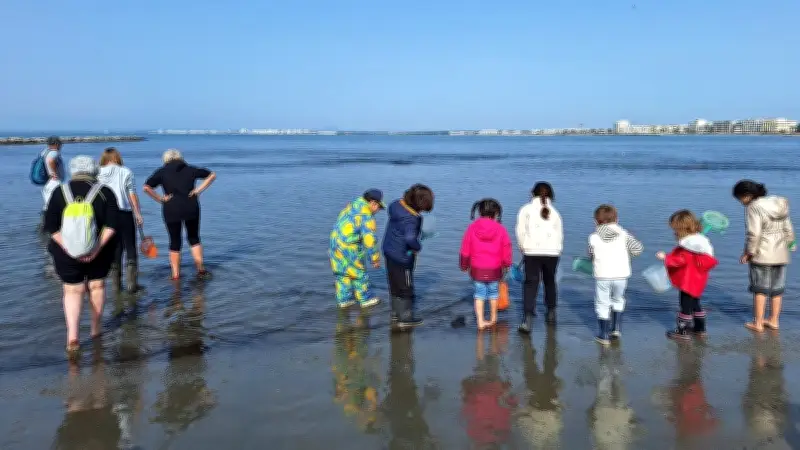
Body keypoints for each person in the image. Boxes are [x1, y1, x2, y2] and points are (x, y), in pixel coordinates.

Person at [44, 156, 118, 356]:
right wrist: (95, 249)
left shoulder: (60, 191)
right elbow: (112, 225)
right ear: (94, 171)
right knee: (96, 286)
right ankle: (95, 330)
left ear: (72, 171)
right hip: (100, 251)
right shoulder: (105, 192)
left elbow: (50, 226)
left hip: (66, 252)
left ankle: (73, 337)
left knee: (72, 291)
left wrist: (68, 248)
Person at [732, 180, 796, 332]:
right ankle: (774, 320)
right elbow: (788, 226)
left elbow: (754, 233)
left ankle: (758, 323)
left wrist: (749, 252)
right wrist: (791, 243)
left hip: (763, 253)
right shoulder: (779, 203)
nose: (741, 202)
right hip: (781, 252)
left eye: (740, 198)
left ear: (747, 196)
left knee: (760, 289)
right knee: (777, 289)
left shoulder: (754, 207)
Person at [143, 149, 216, 280]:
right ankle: (200, 269)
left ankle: (175, 275)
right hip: (191, 206)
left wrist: (160, 198)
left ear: (165, 160)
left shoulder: (162, 172)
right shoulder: (190, 169)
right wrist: (198, 190)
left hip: (171, 208)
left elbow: (146, 187)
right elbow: (212, 175)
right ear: (180, 158)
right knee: (194, 238)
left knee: (175, 240)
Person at [656, 210, 718, 341]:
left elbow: (680, 260)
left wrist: (665, 257)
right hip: (699, 280)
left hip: (688, 281)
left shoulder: (688, 246)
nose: (674, 233)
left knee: (685, 306)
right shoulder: (700, 243)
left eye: (675, 229)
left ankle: (682, 331)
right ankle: (700, 329)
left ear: (681, 229)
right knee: (696, 303)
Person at [588, 204, 643, 345]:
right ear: (616, 220)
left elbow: (591, 255)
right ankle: (616, 329)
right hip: (621, 274)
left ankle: (603, 334)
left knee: (602, 303)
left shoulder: (593, 237)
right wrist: (627, 254)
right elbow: (638, 249)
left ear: (595, 221)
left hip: (602, 275)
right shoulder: (624, 235)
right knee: (618, 299)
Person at [382, 184, 435, 330]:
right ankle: (405, 317)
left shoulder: (396, 205)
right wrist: (418, 247)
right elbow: (410, 238)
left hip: (389, 250)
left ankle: (395, 312)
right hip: (402, 257)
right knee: (406, 286)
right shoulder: (412, 219)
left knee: (394, 283)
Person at [515, 181, 563, 333]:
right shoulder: (555, 212)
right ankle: (551, 313)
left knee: (531, 284)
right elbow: (560, 235)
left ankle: (527, 319)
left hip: (532, 251)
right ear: (551, 196)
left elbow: (520, 230)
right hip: (552, 252)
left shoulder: (526, 210)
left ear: (532, 193)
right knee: (550, 282)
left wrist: (523, 246)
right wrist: (558, 249)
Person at [459, 198, 513, 330]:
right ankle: (493, 318)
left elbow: (465, 250)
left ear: (480, 212)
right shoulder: (500, 229)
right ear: (495, 213)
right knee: (494, 293)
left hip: (477, 269)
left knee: (479, 294)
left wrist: (464, 265)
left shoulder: (472, 228)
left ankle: (480, 321)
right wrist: (507, 264)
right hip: (495, 269)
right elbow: (506, 248)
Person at [98, 147, 144, 293]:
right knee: (130, 247)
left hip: (106, 215)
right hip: (124, 213)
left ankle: (116, 287)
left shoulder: (98, 172)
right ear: (117, 157)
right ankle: (132, 286)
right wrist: (138, 214)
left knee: (114, 249)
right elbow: (132, 195)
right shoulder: (126, 171)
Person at [329, 189, 385, 309]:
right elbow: (370, 241)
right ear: (373, 203)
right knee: (359, 274)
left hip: (335, 243)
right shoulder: (367, 216)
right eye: (379, 207)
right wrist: (374, 259)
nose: (378, 210)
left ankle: (343, 301)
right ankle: (365, 299)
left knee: (342, 274)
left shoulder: (352, 206)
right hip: (349, 247)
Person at [39, 136, 66, 231]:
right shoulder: (54, 152)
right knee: (56, 203)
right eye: (60, 144)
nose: (61, 146)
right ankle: (52, 226)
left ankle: (44, 225)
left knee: (47, 203)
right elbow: (51, 161)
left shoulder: (44, 152)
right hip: (54, 181)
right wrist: (55, 173)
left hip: (48, 182)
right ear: (56, 144)